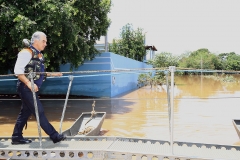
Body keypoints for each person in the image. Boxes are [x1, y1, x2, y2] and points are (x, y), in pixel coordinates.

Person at [12, 31, 66, 145]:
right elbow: (17, 71)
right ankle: (54, 136)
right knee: (39, 111)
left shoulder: (39, 55)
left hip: (30, 89)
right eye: (43, 41)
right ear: (36, 41)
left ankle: (16, 136)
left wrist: (53, 74)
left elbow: (39, 73)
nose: (45, 43)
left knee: (25, 113)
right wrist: (29, 83)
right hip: (26, 88)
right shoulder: (26, 52)